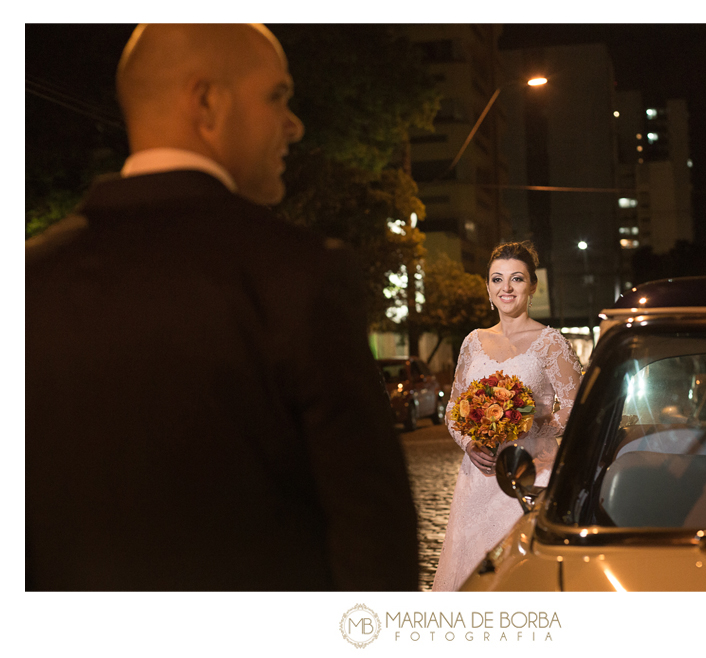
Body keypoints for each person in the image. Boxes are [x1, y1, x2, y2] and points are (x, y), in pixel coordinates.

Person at [26, 24, 419, 591]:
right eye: (277, 97)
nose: (295, 125)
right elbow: (372, 534)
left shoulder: (29, 280)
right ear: (207, 102)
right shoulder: (299, 274)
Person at [432, 241, 583, 591]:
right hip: (478, 477)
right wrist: (470, 441)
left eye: (516, 279)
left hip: (530, 472)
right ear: (487, 286)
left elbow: (576, 407)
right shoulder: (473, 341)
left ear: (532, 285)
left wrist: (531, 426)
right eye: (497, 279)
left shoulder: (550, 342)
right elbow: (454, 409)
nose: (507, 288)